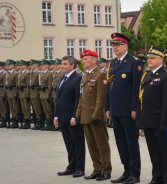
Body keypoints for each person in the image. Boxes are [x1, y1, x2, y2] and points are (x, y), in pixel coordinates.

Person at [105, 33, 143, 184]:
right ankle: (126, 170)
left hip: (128, 110)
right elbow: (109, 87)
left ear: (125, 46)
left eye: (117, 45)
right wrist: (107, 107)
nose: (114, 47)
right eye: (113, 45)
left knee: (131, 142)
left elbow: (136, 87)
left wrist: (134, 108)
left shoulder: (134, 62)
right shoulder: (113, 63)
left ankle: (135, 173)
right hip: (116, 109)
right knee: (121, 142)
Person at [136, 46, 167, 184]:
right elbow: (141, 98)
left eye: (152, 58)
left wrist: (164, 122)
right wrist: (139, 118)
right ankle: (157, 177)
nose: (149, 60)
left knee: (165, 152)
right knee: (153, 152)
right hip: (148, 120)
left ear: (160, 59)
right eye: (148, 58)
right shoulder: (147, 75)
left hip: (160, 120)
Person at [76, 50, 112, 181]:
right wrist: (78, 113)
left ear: (94, 60)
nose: (83, 61)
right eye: (83, 59)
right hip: (86, 115)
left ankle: (106, 170)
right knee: (91, 145)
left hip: (96, 116)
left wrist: (97, 114)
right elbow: (82, 97)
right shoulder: (85, 76)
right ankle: (97, 169)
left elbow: (101, 98)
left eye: (86, 59)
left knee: (101, 144)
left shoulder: (101, 75)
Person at [55, 56, 86, 178]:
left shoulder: (77, 78)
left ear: (72, 65)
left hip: (72, 117)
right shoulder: (63, 77)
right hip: (63, 116)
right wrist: (56, 115)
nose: (61, 66)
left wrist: (75, 116)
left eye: (64, 64)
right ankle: (71, 166)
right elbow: (59, 99)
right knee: (69, 144)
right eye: (61, 64)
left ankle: (80, 168)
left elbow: (78, 99)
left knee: (78, 143)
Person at [39, 59, 53, 130]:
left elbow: (50, 85)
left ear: (47, 66)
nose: (42, 66)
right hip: (42, 93)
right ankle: (47, 123)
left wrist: (49, 94)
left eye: (43, 65)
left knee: (49, 109)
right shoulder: (41, 73)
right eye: (41, 65)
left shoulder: (49, 74)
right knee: (45, 109)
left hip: (47, 92)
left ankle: (50, 123)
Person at [29, 60, 43, 130]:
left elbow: (39, 83)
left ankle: (39, 123)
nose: (30, 66)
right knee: (35, 108)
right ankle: (37, 122)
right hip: (32, 93)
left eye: (32, 65)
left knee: (38, 108)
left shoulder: (38, 73)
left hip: (36, 92)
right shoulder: (32, 73)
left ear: (36, 65)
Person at [17, 60, 31, 129]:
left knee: (27, 108)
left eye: (21, 65)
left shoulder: (27, 73)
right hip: (21, 92)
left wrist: (27, 94)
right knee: (23, 108)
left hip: (25, 92)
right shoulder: (20, 73)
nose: (20, 66)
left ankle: (27, 122)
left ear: (25, 66)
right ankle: (25, 120)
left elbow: (28, 84)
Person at [5, 59, 19, 128]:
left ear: (13, 65)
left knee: (15, 107)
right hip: (8, 92)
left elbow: (17, 84)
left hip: (13, 92)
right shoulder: (7, 73)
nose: (7, 66)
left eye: (9, 65)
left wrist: (17, 93)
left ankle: (16, 121)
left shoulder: (15, 73)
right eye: (7, 65)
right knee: (11, 108)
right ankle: (13, 120)